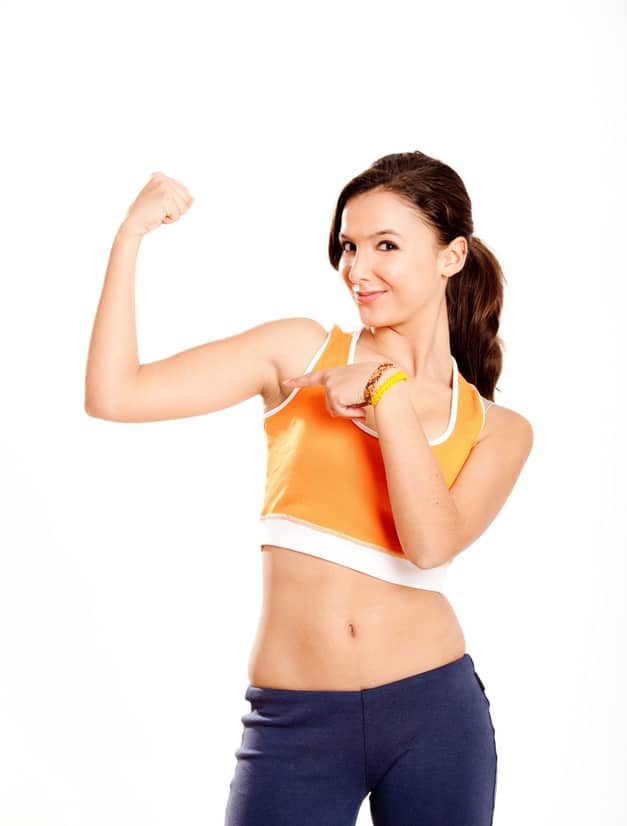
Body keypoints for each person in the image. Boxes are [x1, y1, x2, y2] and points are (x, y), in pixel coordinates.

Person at [85, 152, 533, 826]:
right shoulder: (300, 352)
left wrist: (384, 396)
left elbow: (429, 545)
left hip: (434, 715)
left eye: (386, 245)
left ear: (451, 255)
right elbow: (114, 396)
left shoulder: (496, 427)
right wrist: (128, 238)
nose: (356, 268)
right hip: (293, 721)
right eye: (348, 246)